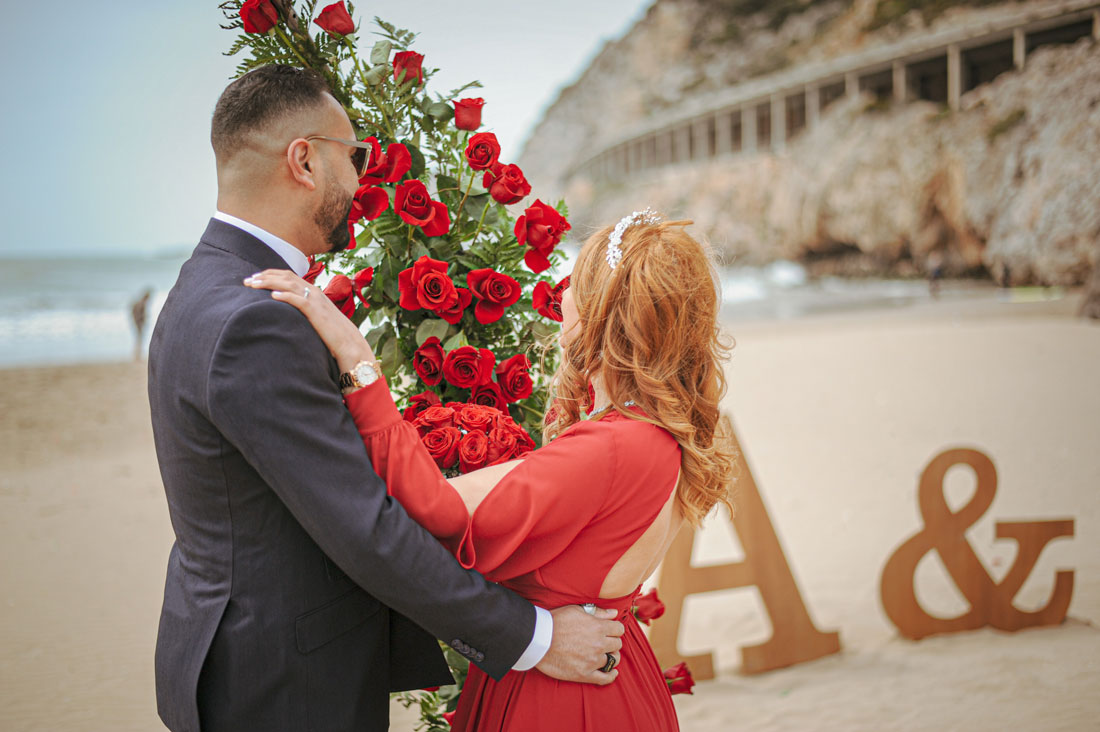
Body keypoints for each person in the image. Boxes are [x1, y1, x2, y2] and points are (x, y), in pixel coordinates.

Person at [147, 65, 622, 732]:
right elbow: (362, 528)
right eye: (356, 155)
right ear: (305, 160)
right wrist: (535, 638)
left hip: (232, 654)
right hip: (285, 687)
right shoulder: (257, 319)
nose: (363, 176)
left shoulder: (203, 286)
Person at [245, 208, 737, 730]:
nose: (562, 295)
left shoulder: (615, 446)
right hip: (614, 675)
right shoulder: (662, 432)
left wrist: (358, 361)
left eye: (574, 282)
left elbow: (433, 508)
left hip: (563, 698)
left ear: (605, 311)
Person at [130, 288, 152, 361]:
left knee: (138, 339)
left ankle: (137, 356)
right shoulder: (142, 303)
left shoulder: (140, 302)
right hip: (139, 324)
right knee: (139, 340)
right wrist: (140, 321)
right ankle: (137, 356)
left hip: (138, 323)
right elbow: (140, 315)